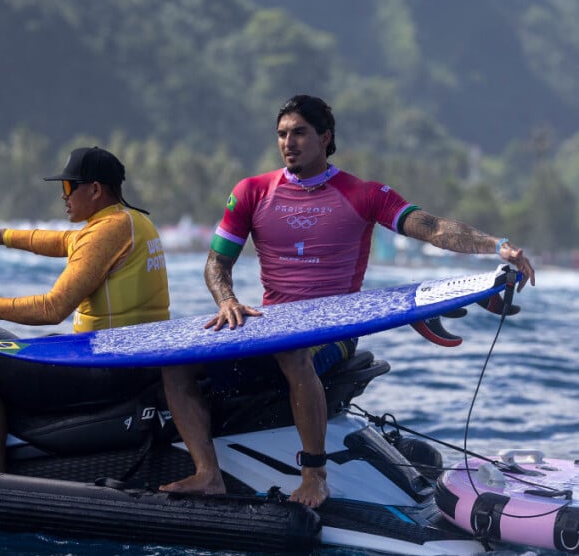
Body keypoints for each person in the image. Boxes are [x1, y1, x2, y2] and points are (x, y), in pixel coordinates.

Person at [162, 94, 535, 508]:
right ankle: (208, 474)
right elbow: (216, 263)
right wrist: (227, 300)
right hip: (271, 326)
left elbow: (431, 227)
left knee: (292, 350)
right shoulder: (251, 192)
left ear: (325, 138)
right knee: (176, 363)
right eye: (282, 134)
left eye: (300, 133)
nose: (289, 142)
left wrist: (497, 246)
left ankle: (314, 475)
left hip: (335, 333)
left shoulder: (362, 194)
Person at [0, 146, 170, 470]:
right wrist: (3, 235)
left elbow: (52, 308)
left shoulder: (106, 232)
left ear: (94, 189)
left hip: (108, 367)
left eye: (67, 187)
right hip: (130, 356)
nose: (63, 196)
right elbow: (60, 241)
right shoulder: (130, 221)